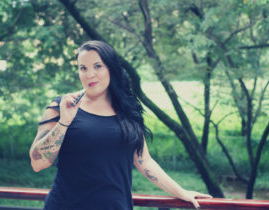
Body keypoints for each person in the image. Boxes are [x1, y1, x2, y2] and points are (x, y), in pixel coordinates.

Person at [29, 40, 211, 210]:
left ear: (111, 68)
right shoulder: (61, 106)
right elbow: (37, 163)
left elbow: (144, 161)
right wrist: (64, 122)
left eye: (97, 66)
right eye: (82, 68)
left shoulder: (127, 110)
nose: (90, 74)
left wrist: (182, 193)